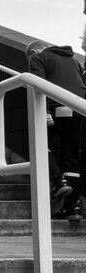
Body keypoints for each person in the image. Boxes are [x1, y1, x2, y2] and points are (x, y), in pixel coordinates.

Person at [27, 40, 86, 220]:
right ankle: (72, 209)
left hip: (57, 108)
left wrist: (44, 111)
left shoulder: (38, 57)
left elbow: (38, 85)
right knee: (71, 158)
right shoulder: (74, 60)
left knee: (42, 146)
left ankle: (58, 181)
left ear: (35, 51)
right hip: (79, 109)